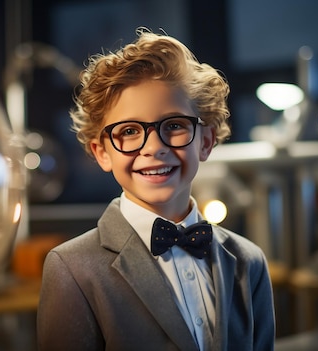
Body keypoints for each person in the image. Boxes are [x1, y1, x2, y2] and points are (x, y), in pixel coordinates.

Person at [37, 28, 275, 351]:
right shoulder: (72, 270)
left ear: (206, 141)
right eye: (130, 131)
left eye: (174, 125)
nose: (153, 147)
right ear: (102, 152)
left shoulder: (251, 262)